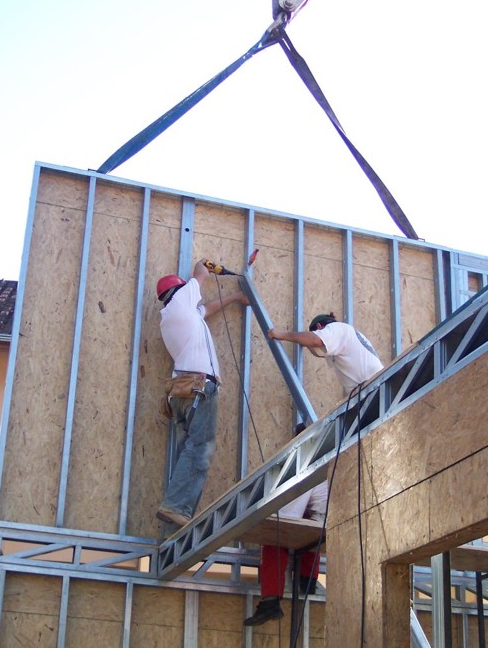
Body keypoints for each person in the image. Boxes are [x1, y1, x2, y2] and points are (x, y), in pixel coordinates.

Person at [156, 259, 248, 529]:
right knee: (200, 448)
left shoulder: (174, 317)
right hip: (198, 386)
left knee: (189, 449)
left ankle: (177, 511)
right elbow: (199, 270)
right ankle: (176, 507)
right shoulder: (183, 298)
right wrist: (206, 266)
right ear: (181, 290)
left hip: (181, 391)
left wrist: (234, 297)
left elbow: (205, 310)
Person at [244, 425, 328, 627]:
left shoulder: (305, 468)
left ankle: (270, 602)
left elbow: (286, 518)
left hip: (321, 526)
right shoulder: (326, 461)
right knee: (309, 527)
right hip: (330, 524)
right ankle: (306, 581)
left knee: (275, 535)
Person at [267, 312, 383, 395]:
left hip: (375, 387)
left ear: (319, 327)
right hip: (369, 389)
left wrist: (280, 335)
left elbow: (315, 341)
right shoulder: (341, 340)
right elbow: (317, 352)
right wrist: (304, 342)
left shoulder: (337, 328)